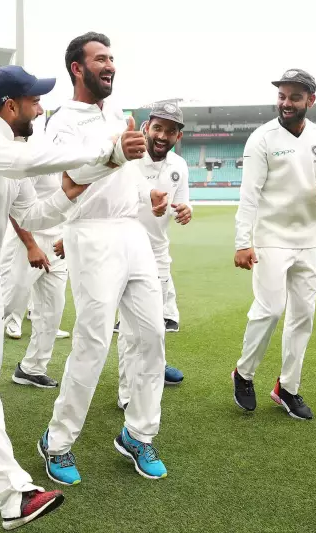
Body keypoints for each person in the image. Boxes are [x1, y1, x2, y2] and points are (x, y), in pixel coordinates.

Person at [0, 64, 126, 530]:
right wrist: (105, 148)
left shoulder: (8, 150)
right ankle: (14, 492)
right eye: (34, 100)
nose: (41, 106)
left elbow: (33, 209)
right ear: (10, 106)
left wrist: (97, 173)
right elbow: (30, 163)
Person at [39, 32, 170, 487]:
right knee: (92, 343)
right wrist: (116, 152)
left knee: (152, 335)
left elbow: (129, 173)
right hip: (89, 232)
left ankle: (139, 433)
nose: (110, 65)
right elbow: (72, 175)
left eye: (112, 57)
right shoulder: (61, 122)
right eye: (100, 59)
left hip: (131, 232)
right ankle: (57, 442)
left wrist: (146, 194)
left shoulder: (116, 112)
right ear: (78, 68)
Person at [232, 69, 316, 420]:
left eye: (295, 96)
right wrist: (242, 242)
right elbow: (248, 195)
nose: (286, 102)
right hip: (270, 239)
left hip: (309, 241)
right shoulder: (261, 138)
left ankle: (287, 388)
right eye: (282, 95)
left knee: (303, 316)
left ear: (310, 100)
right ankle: (244, 373)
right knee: (269, 310)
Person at [117, 102, 192, 407]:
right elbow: (115, 204)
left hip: (158, 253)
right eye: (158, 128)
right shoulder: (129, 161)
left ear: (178, 137)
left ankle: (154, 369)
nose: (163, 135)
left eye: (171, 130)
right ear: (146, 128)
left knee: (155, 324)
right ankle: (126, 392)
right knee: (130, 328)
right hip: (125, 250)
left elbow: (181, 204)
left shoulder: (179, 166)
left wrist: (185, 211)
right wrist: (147, 201)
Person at [3, 175, 70, 388]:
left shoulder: (77, 151)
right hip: (26, 240)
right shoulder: (38, 149)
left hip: (58, 241)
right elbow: (15, 204)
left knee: (52, 310)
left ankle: (31, 369)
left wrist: (69, 237)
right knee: (4, 304)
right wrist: (31, 245)